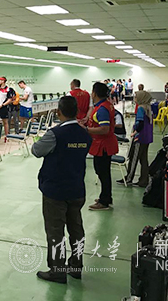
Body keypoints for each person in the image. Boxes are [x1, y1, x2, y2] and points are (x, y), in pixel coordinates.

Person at [32, 96, 92, 284]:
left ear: (58, 112)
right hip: (76, 188)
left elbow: (36, 150)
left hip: (56, 190)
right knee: (76, 229)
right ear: (77, 112)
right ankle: (75, 266)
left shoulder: (55, 134)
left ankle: (57, 271)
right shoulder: (85, 134)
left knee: (55, 231)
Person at [81, 82, 118, 211]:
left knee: (103, 172)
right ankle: (106, 197)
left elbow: (104, 129)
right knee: (103, 172)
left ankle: (104, 201)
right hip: (103, 144)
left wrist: (86, 129)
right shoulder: (105, 105)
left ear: (94, 93)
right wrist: (87, 121)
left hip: (103, 145)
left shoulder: (102, 109)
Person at [121, 89, 153, 187]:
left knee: (134, 158)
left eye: (136, 97)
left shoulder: (140, 108)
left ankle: (129, 178)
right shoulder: (148, 107)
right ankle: (144, 180)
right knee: (143, 159)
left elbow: (140, 123)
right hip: (147, 137)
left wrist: (135, 132)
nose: (135, 98)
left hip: (140, 137)